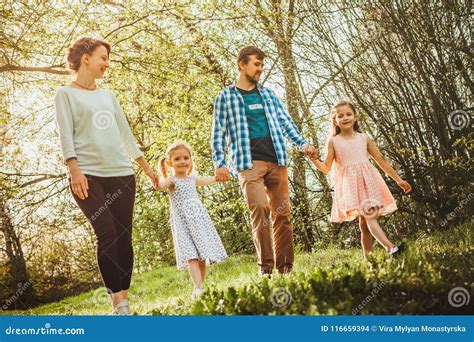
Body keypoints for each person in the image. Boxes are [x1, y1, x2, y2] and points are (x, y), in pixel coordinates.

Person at [54, 37, 158, 315]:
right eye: (103, 57)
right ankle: (117, 303)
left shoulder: (107, 96)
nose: (107, 64)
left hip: (121, 173)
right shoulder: (65, 94)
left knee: (124, 236)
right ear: (85, 58)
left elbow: (126, 135)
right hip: (88, 175)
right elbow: (65, 134)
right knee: (107, 233)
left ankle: (123, 298)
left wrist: (147, 169)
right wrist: (73, 169)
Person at [211, 46, 317, 276]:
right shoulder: (225, 97)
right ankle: (266, 269)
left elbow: (285, 121)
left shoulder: (267, 94)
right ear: (242, 64)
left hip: (277, 160)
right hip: (248, 164)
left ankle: (286, 268)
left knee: (283, 214)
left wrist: (302, 144)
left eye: (262, 65)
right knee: (260, 210)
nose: (260, 69)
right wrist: (219, 163)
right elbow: (217, 132)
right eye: (256, 65)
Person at [310, 100, 412, 258]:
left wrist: (398, 180)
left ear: (355, 117)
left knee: (365, 223)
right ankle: (391, 248)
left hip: (369, 182)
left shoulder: (363, 138)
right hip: (351, 186)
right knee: (368, 218)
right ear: (335, 120)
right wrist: (314, 159)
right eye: (340, 116)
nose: (345, 118)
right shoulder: (334, 141)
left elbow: (381, 160)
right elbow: (326, 168)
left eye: (348, 114)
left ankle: (369, 260)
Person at [157, 141, 228, 299]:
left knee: (202, 257)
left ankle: (199, 289)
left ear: (190, 160)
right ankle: (199, 287)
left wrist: (219, 177)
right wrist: (154, 179)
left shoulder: (192, 179)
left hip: (198, 221)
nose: (182, 161)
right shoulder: (172, 181)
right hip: (183, 224)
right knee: (191, 256)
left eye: (186, 158)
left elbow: (208, 180)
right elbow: (160, 186)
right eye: (177, 159)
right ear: (169, 163)